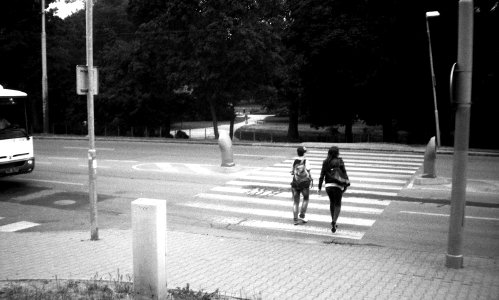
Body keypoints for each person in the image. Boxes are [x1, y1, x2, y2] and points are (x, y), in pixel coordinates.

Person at [317, 146, 350, 233]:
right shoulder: (340, 161)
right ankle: (334, 221)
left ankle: (333, 220)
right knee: (338, 204)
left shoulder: (325, 162)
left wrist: (319, 187)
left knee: (332, 202)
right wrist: (346, 184)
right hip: (337, 186)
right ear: (337, 153)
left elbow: (322, 175)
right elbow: (344, 173)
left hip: (328, 186)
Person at [290, 146, 312, 225]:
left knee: (296, 202)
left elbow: (292, 172)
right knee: (305, 199)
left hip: (295, 183)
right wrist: (311, 178)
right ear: (304, 153)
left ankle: (295, 220)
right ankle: (302, 214)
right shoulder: (306, 161)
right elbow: (309, 171)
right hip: (304, 184)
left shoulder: (295, 161)